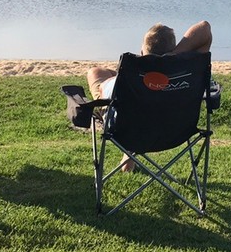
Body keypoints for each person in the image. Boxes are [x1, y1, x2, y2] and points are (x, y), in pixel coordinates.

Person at [86, 20, 212, 171]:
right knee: (132, 92)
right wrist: (169, 59)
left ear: (142, 52)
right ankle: (129, 153)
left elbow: (101, 82)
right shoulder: (184, 73)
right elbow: (204, 27)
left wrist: (121, 77)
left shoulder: (126, 82)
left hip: (130, 132)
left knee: (96, 75)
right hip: (176, 131)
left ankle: (128, 151)